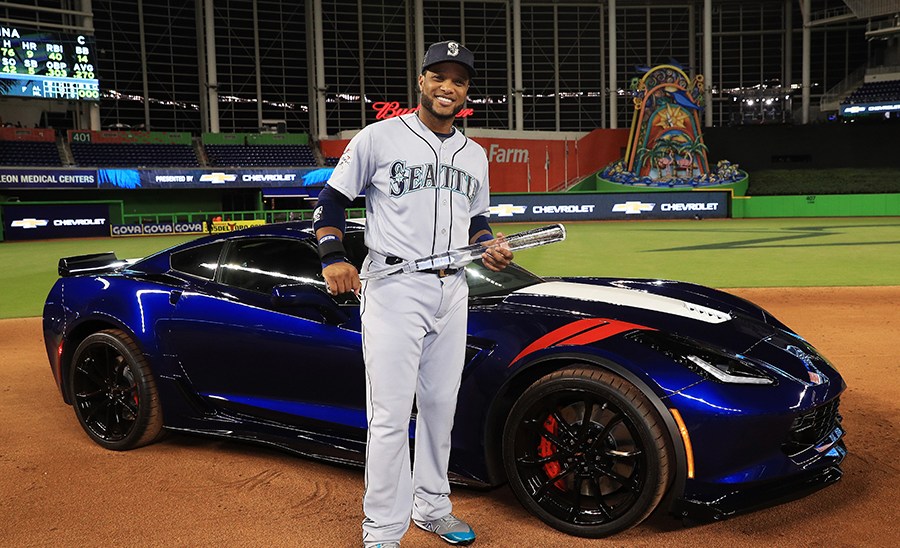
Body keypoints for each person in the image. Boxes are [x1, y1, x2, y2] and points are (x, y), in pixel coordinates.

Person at [313, 40, 512, 548]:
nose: (448, 87)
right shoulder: (379, 137)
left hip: (453, 288)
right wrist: (333, 256)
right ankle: (382, 528)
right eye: (439, 76)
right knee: (390, 415)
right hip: (394, 286)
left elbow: (477, 220)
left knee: (441, 408)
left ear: (466, 92)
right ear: (421, 81)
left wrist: (488, 246)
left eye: (459, 80)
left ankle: (432, 507)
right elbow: (331, 200)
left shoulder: (474, 155)